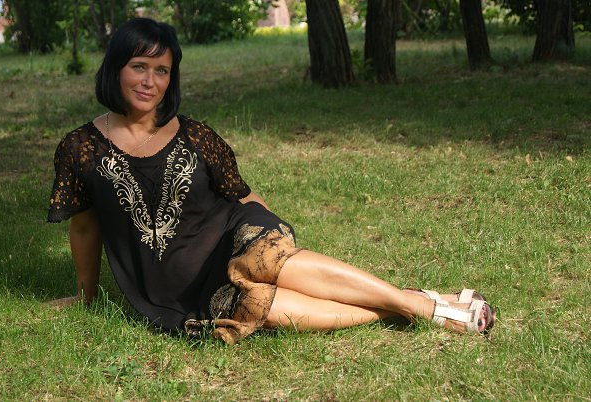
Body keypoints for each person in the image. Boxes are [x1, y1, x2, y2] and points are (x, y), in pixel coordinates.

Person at [48, 18, 496, 344]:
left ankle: (426, 310)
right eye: (139, 67)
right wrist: (86, 297)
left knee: (266, 258)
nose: (150, 81)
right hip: (176, 286)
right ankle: (407, 303)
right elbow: (84, 228)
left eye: (161, 70)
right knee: (264, 310)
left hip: (233, 237)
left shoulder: (195, 136)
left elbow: (241, 196)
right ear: (116, 68)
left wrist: (278, 245)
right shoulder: (81, 148)